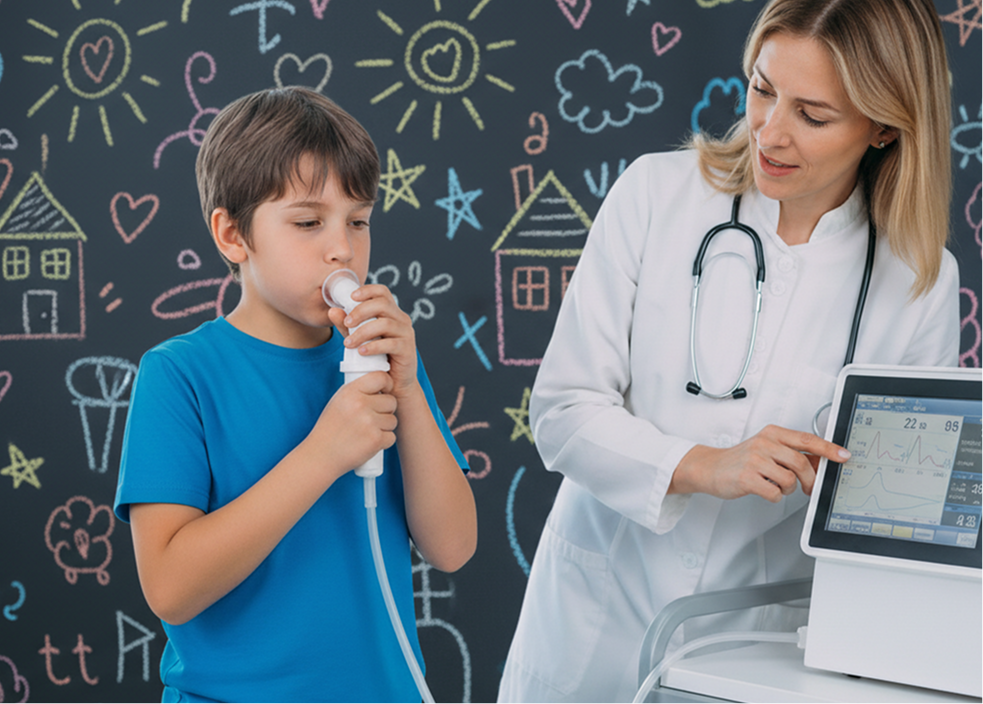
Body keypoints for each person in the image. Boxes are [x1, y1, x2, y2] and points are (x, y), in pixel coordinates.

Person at [497, 0, 959, 701]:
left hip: (754, 649)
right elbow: (562, 411)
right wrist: (706, 465)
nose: (768, 132)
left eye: (812, 115)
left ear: (883, 127)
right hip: (594, 624)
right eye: (762, 89)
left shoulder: (919, 279)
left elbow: (903, 515)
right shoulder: (655, 195)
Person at [114, 86, 477, 704]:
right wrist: (322, 454)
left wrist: (409, 388)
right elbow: (171, 587)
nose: (343, 248)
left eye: (358, 221)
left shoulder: (379, 365)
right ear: (233, 237)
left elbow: (452, 547)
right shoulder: (179, 375)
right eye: (309, 222)